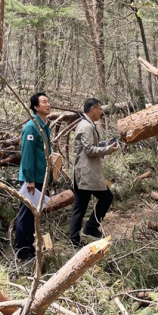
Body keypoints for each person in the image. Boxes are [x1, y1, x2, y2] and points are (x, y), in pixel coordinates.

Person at [69, 98, 118, 247]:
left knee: (81, 206)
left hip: (86, 173)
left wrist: (104, 144)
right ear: (92, 109)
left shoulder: (87, 125)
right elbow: (90, 150)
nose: (101, 112)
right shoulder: (86, 126)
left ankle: (76, 238)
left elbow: (89, 147)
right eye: (100, 109)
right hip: (86, 174)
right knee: (105, 197)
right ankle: (89, 228)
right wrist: (109, 149)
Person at [14, 92, 52, 261]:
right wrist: (29, 179)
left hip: (40, 177)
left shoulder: (44, 125)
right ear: (36, 107)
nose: (48, 104)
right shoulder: (31, 127)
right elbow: (27, 155)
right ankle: (22, 251)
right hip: (31, 179)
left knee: (34, 214)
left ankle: (30, 245)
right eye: (44, 102)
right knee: (26, 214)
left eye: (48, 101)